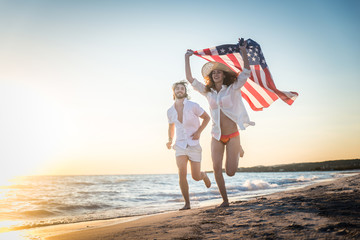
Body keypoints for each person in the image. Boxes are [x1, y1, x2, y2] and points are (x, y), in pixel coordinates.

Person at [185, 41, 254, 207]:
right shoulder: (207, 91)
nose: (216, 74)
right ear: (210, 76)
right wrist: (187, 57)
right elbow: (190, 79)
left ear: (223, 75)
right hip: (216, 135)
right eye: (213, 73)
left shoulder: (233, 88)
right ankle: (225, 200)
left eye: (219, 72)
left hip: (232, 135)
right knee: (216, 169)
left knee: (230, 172)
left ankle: (237, 149)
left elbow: (246, 71)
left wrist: (243, 50)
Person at [166, 81, 211, 210]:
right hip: (179, 145)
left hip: (194, 144)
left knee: (195, 177)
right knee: (181, 173)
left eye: (182, 88)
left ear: (185, 92)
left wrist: (198, 132)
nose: (180, 90)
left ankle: (203, 175)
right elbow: (171, 127)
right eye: (177, 89)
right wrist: (170, 139)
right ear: (174, 92)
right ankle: (187, 203)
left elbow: (207, 118)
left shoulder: (193, 106)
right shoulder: (170, 111)